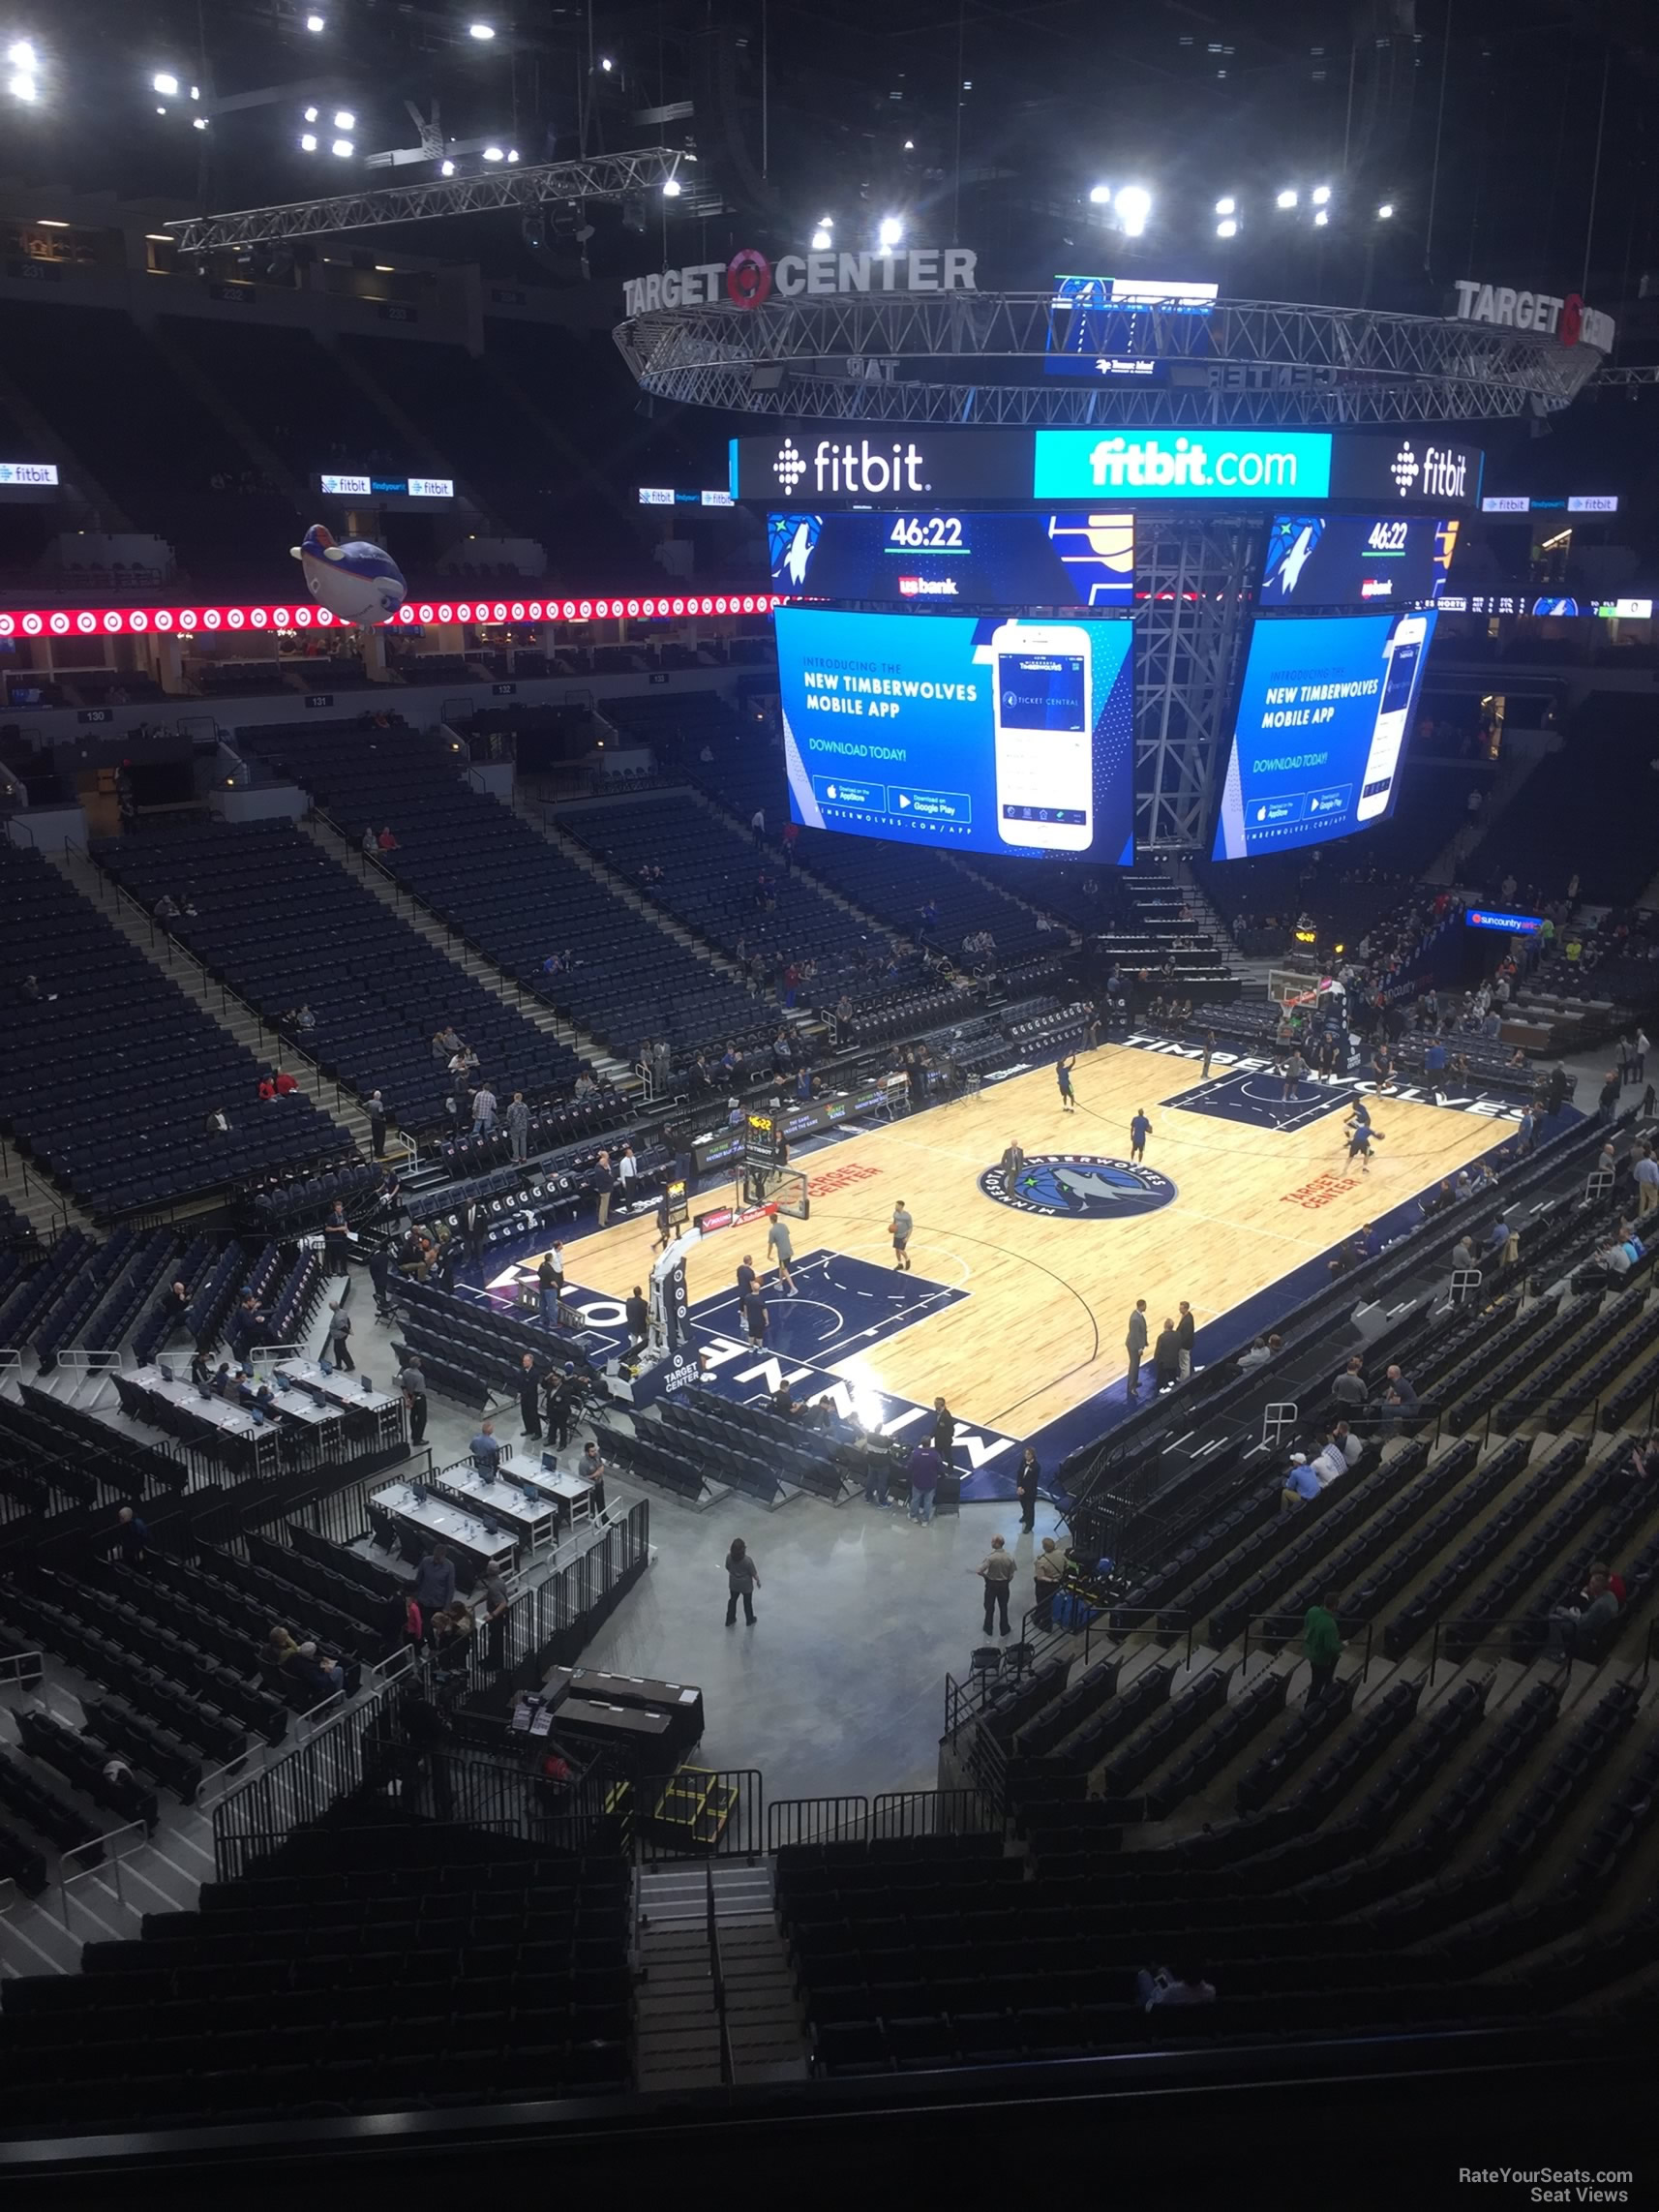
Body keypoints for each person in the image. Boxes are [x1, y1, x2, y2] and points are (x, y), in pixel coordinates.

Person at [1546, 1567, 1619, 1658]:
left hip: (1584, 1633)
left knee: (1553, 1618)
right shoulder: (1611, 1596)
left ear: (1599, 1587)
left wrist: (1565, 1612)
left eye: (1592, 1584)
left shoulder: (1600, 1605)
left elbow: (1580, 1623)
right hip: (1594, 1628)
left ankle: (1557, 1653)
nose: (1589, 1585)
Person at [1303, 1591, 1342, 1700]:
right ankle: (1310, 1706)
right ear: (1334, 1606)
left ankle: (1326, 1696)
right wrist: (1343, 1645)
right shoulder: (1330, 1624)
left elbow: (1306, 1624)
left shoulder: (1312, 1611)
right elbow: (1331, 1648)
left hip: (1311, 1652)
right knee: (1317, 1685)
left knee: (1323, 1680)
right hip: (1322, 1659)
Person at [978, 1533, 1016, 1637]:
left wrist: (986, 1577)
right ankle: (1004, 1628)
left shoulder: (991, 1558)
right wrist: (1006, 1581)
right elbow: (1012, 1574)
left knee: (989, 1607)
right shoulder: (1009, 1557)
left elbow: (979, 1570)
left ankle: (988, 1628)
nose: (991, 1543)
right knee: (1003, 1607)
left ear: (996, 1543)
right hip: (1004, 1585)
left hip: (992, 1585)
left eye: (992, 1541)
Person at [1136, 1963, 1217, 2013]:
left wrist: (1159, 1981)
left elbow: (1159, 1998)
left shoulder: (1173, 1991)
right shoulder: (1210, 1992)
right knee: (1162, 1971)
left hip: (1157, 2003)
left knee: (1143, 1974)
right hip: (1172, 1995)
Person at [1033, 1536, 1070, 1630]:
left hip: (1045, 1585)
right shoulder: (1061, 1554)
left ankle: (1047, 1625)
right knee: (1048, 1601)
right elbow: (1067, 1565)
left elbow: (1040, 1577)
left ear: (1044, 1547)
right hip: (1057, 1583)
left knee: (1043, 1603)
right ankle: (1037, 1616)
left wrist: (1051, 1580)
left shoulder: (1041, 1561)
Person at [411, 1545, 456, 1621]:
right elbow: (418, 1579)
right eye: (435, 1557)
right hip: (423, 1599)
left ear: (444, 1556)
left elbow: (450, 1588)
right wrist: (414, 1595)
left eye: (438, 1559)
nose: (436, 1560)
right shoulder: (425, 1561)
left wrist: (447, 1607)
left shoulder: (450, 1567)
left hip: (438, 1603)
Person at [479, 1565, 511, 1667]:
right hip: (501, 1616)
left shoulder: (493, 1586)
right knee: (496, 1639)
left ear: (488, 1571)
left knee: (495, 1640)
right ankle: (492, 1659)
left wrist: (492, 1615)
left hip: (497, 1618)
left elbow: (503, 1603)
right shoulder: (500, 1581)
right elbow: (489, 1595)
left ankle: (494, 1663)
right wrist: (476, 1603)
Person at [725, 1537, 760, 1626]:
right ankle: (750, 1620)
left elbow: (727, 1567)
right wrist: (758, 1581)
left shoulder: (729, 1557)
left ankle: (730, 1619)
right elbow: (753, 1573)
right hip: (746, 1586)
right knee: (747, 1603)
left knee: (733, 1600)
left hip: (734, 1584)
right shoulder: (747, 1561)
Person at [906, 1439, 942, 1525]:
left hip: (917, 1481)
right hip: (931, 1482)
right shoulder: (935, 1455)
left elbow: (909, 1467)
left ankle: (913, 1516)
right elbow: (940, 1468)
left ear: (921, 1443)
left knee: (915, 1500)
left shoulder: (915, 1454)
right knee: (928, 1502)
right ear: (930, 1443)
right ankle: (925, 1521)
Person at [397, 1355, 427, 1446]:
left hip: (409, 1395)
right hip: (418, 1399)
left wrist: (407, 1399)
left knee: (413, 1416)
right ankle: (418, 1439)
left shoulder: (406, 1372)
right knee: (422, 1419)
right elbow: (417, 1392)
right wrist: (412, 1402)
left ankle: (414, 1435)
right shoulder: (420, 1377)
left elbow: (403, 1386)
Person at [766, 1206, 796, 1293]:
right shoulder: (784, 1225)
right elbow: (786, 1235)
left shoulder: (772, 1231)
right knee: (781, 1268)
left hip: (782, 1254)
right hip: (789, 1250)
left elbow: (770, 1245)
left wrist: (768, 1255)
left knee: (784, 1270)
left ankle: (793, 1288)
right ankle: (780, 1284)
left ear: (771, 1220)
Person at [1125, 1299, 1149, 1397]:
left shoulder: (1139, 1315)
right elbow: (1135, 1335)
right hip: (1134, 1346)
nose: (1146, 1307)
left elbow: (1142, 1331)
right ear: (1141, 1306)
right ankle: (1131, 1387)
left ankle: (1134, 1382)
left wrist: (1145, 1342)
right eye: (1145, 1305)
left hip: (1137, 1344)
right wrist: (1140, 1348)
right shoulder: (1135, 1319)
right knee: (1134, 1366)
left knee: (1136, 1365)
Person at [1014, 1445, 1041, 1534]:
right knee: (1024, 1505)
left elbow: (1032, 1481)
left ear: (1032, 1455)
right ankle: (1025, 1516)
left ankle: (1029, 1525)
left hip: (1030, 1492)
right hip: (1021, 1490)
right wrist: (1019, 1486)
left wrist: (1024, 1489)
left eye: (1028, 1454)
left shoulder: (1037, 1467)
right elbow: (1019, 1474)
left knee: (1030, 1508)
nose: (1026, 1456)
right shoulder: (1023, 1462)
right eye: (1025, 1454)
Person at [322, 1200, 350, 1279]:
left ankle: (344, 1270)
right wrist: (339, 1228)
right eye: (338, 1208)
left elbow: (345, 1222)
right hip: (334, 1238)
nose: (339, 1210)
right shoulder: (331, 1217)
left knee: (344, 1254)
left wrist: (346, 1229)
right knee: (334, 1255)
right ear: (335, 1209)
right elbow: (327, 1229)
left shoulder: (344, 1214)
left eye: (340, 1208)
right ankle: (334, 1271)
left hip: (342, 1237)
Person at [1154, 1316, 1181, 1392]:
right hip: (1174, 1359)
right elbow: (1179, 1346)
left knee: (1161, 1376)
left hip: (1164, 1362)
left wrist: (1156, 1360)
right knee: (1173, 1375)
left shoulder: (1162, 1337)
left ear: (1165, 1326)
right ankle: (1173, 1383)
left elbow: (1158, 1351)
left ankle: (1161, 1388)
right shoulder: (1178, 1334)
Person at [325, 1302, 353, 1372]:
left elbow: (342, 1327)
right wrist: (349, 1328)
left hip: (339, 1336)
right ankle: (339, 1365)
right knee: (336, 1350)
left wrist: (348, 1331)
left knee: (342, 1351)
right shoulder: (343, 1312)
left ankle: (350, 1365)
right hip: (341, 1335)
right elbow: (348, 1320)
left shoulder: (337, 1318)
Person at [932, 1397, 956, 1473]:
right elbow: (937, 1427)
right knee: (937, 1454)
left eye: (936, 1403)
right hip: (938, 1439)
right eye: (935, 1403)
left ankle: (950, 1468)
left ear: (941, 1405)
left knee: (948, 1455)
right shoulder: (937, 1412)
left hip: (945, 1441)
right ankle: (938, 1467)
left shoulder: (946, 1416)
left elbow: (951, 1428)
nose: (935, 1404)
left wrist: (948, 1439)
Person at [505, 1090, 530, 1162]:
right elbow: (528, 1114)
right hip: (524, 1125)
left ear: (514, 1098)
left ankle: (516, 1157)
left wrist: (510, 1125)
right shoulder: (524, 1106)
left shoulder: (511, 1107)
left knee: (515, 1141)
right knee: (523, 1141)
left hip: (515, 1126)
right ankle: (524, 1157)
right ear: (521, 1098)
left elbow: (508, 1118)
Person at [889, 1199, 914, 1274]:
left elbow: (910, 1227)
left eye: (896, 1205)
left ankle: (907, 1259)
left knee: (901, 1250)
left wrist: (907, 1237)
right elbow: (894, 1222)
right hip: (896, 1234)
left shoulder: (907, 1216)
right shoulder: (895, 1214)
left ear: (901, 1206)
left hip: (903, 1235)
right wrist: (892, 1227)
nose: (895, 1207)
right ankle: (900, 1264)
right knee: (896, 1250)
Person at [624, 1285, 650, 1353]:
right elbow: (646, 1315)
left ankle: (633, 1356)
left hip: (632, 1325)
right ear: (641, 1293)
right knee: (646, 1341)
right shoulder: (644, 1303)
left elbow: (627, 1313)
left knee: (633, 1344)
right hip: (642, 1326)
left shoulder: (628, 1301)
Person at [1635, 1146, 1659, 1219]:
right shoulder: (1653, 1165)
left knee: (1643, 1199)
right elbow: (1655, 1177)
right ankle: (1649, 1215)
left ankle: (1641, 1215)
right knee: (1653, 1200)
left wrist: (1640, 1180)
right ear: (1649, 1155)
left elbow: (1635, 1175)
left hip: (1642, 1183)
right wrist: (1657, 1185)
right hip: (1651, 1184)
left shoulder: (1639, 1163)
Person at [592, 1149, 615, 1227]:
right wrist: (612, 1179)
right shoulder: (599, 1170)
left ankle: (605, 1219)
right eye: (606, 1157)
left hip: (608, 1187)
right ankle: (601, 1222)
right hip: (604, 1189)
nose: (608, 1158)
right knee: (603, 1206)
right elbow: (608, 1178)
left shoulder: (608, 1163)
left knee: (606, 1205)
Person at [1175, 1300, 1196, 1380]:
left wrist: (1179, 1344)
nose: (1179, 1309)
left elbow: (1186, 1336)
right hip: (1187, 1343)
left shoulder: (1187, 1321)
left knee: (1184, 1363)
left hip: (1185, 1345)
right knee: (1185, 1361)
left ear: (1185, 1309)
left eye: (1181, 1308)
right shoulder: (1188, 1315)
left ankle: (1184, 1379)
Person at [366, 1090, 387, 1156]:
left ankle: (376, 1151)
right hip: (379, 1122)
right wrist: (383, 1117)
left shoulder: (370, 1102)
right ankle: (380, 1152)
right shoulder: (379, 1103)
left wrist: (369, 1110)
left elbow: (364, 1105)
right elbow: (381, 1112)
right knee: (381, 1137)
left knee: (375, 1137)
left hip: (373, 1121)